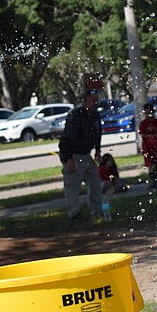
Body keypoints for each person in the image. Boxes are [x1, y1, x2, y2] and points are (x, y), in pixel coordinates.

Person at [59, 88, 103, 220]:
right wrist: (69, 158)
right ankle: (74, 213)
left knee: (95, 181)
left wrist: (98, 151)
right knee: (72, 185)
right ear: (85, 101)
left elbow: (98, 134)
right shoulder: (75, 116)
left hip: (86, 154)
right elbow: (67, 139)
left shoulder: (95, 115)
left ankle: (96, 210)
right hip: (73, 154)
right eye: (92, 100)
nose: (95, 103)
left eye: (96, 100)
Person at [139, 103, 157, 188]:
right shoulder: (143, 123)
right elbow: (142, 134)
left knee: (156, 163)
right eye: (146, 113)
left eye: (150, 113)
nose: (148, 115)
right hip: (147, 146)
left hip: (155, 145)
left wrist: (154, 130)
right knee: (149, 163)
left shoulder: (156, 122)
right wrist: (150, 135)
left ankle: (156, 179)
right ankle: (152, 180)